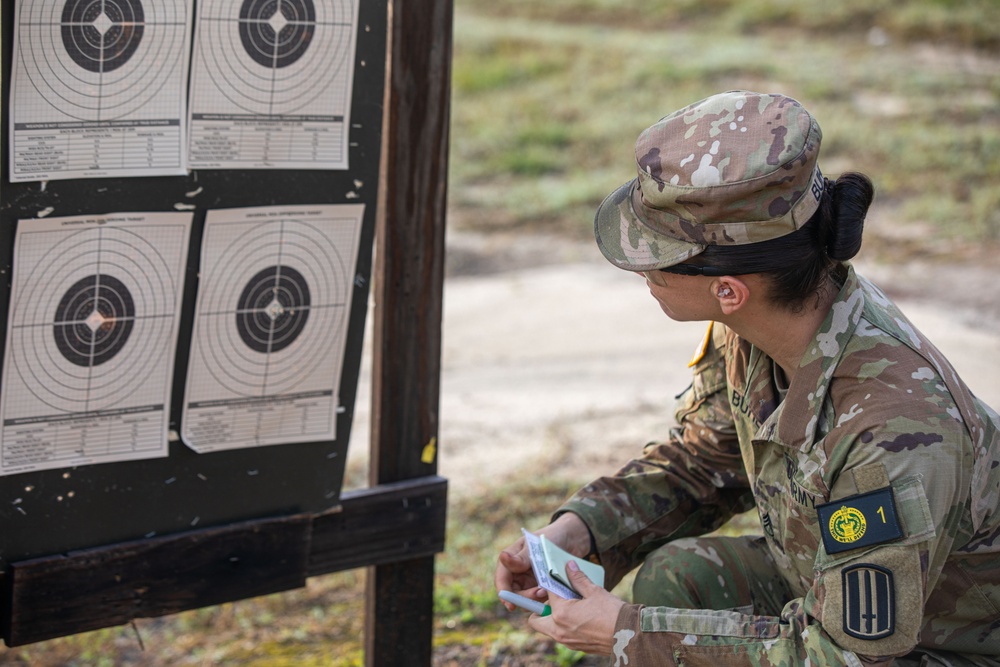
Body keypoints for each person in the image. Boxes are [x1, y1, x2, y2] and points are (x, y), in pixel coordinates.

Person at [494, 90, 1000, 666]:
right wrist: (582, 533)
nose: (641, 270)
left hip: (942, 646)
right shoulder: (767, 323)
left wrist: (631, 634)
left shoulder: (891, 433)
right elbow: (704, 463)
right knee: (682, 579)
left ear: (728, 290)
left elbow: (845, 657)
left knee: (654, 626)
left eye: (655, 253)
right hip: (825, 587)